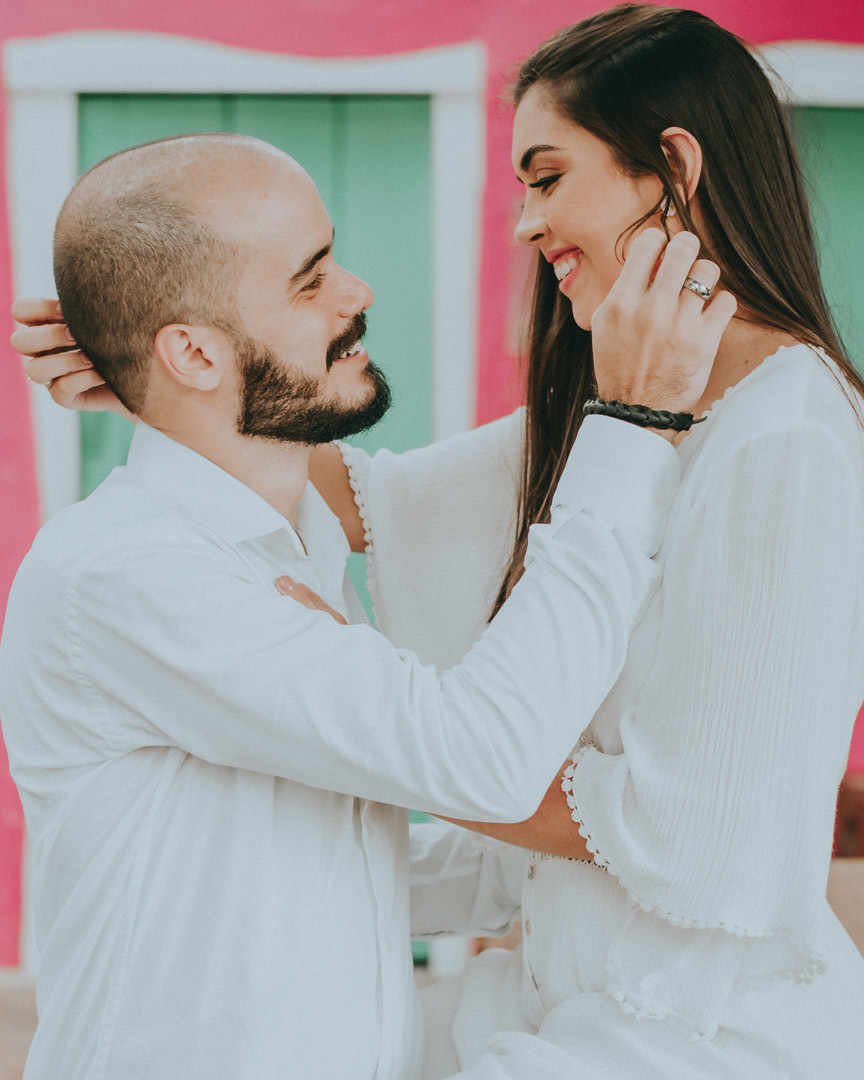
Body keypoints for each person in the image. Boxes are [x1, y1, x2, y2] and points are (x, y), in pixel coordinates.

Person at [16, 6, 863, 1077]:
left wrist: (191, 368)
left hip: (682, 1029)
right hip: (567, 1002)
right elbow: (383, 502)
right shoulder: (621, 412)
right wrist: (162, 374)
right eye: (523, 186)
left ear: (670, 173)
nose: (523, 223)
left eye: (547, 178)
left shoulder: (779, 434)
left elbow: (705, 834)